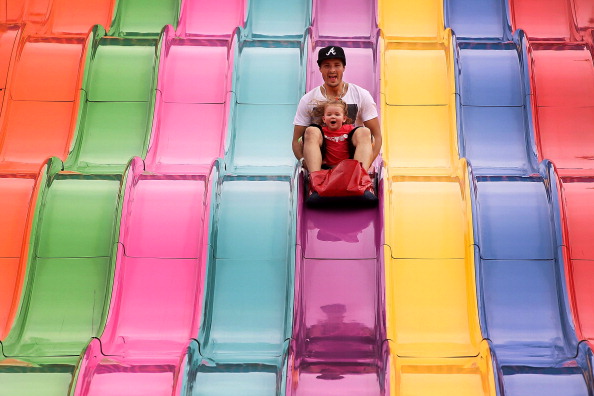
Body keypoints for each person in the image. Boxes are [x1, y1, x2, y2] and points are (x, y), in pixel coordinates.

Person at [292, 45, 381, 172]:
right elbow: (296, 140)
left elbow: (376, 135)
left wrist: (368, 164)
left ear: (344, 67)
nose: (332, 70)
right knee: (311, 132)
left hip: (352, 155)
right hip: (322, 160)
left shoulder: (360, 95)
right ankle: (316, 178)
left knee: (364, 132)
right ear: (320, 69)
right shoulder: (308, 99)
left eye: (337, 65)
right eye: (327, 65)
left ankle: (357, 177)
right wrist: (303, 162)